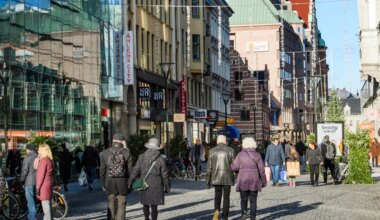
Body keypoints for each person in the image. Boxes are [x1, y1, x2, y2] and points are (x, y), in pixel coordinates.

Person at [128, 138, 170, 220]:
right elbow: (165, 174)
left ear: (148, 146)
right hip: (156, 183)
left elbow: (135, 170)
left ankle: (146, 218)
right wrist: (167, 186)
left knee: (145, 203)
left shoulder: (141, 157)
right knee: (154, 205)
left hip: (144, 182)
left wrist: (130, 181)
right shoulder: (161, 159)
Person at [230, 137, 266, 220]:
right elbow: (261, 169)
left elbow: (234, 167)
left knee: (243, 199)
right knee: (253, 200)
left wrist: (231, 164)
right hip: (254, 179)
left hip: (243, 179)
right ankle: (253, 218)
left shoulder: (240, 154)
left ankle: (244, 213)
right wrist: (263, 181)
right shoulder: (257, 155)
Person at [100, 134, 133, 220]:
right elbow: (130, 170)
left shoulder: (105, 152)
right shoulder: (126, 152)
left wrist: (103, 184)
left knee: (111, 202)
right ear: (123, 141)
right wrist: (130, 183)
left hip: (109, 181)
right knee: (122, 204)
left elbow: (102, 170)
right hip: (122, 182)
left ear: (113, 141)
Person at [206, 135, 235, 220]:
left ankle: (216, 212)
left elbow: (209, 167)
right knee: (226, 197)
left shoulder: (212, 151)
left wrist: (208, 179)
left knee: (217, 195)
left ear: (217, 142)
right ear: (225, 141)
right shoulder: (231, 150)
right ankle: (225, 217)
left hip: (216, 177)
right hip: (227, 177)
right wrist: (234, 176)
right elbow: (234, 166)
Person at [36, 144, 54, 220]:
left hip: (43, 186)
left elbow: (40, 176)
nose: (38, 151)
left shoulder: (43, 161)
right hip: (49, 183)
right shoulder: (50, 160)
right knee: (48, 205)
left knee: (46, 208)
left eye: (39, 150)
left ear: (43, 151)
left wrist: (37, 187)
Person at [20, 143, 38, 220]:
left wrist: (21, 180)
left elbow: (24, 171)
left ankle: (32, 217)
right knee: (34, 200)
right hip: (37, 181)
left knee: (30, 201)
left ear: (28, 149)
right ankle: (33, 216)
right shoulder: (38, 156)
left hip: (29, 182)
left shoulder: (27, 158)